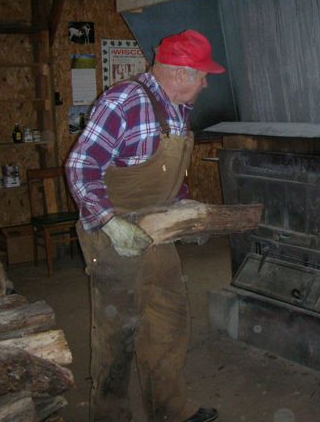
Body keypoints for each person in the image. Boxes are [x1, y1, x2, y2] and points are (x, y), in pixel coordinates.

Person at [66, 30, 225, 422]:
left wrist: (183, 204)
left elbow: (165, 171)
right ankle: (109, 417)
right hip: (113, 238)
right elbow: (81, 167)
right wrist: (111, 223)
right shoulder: (123, 101)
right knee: (116, 338)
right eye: (202, 75)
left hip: (157, 232)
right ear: (181, 73)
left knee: (169, 322)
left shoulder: (176, 106)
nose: (206, 83)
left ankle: (169, 410)